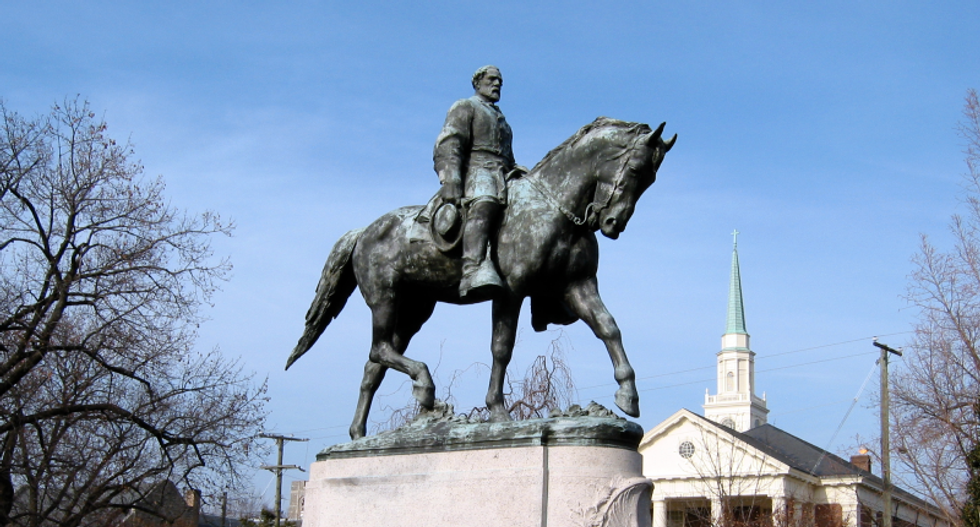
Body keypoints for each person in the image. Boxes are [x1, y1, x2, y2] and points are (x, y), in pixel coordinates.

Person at [433, 65, 523, 299]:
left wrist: (518, 172)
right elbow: (449, 143)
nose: (496, 85)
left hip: (502, 174)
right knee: (485, 201)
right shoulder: (466, 106)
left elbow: (508, 157)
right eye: (492, 80)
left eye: (500, 82)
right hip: (476, 171)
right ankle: (472, 269)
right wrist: (450, 178)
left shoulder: (504, 122)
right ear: (478, 83)